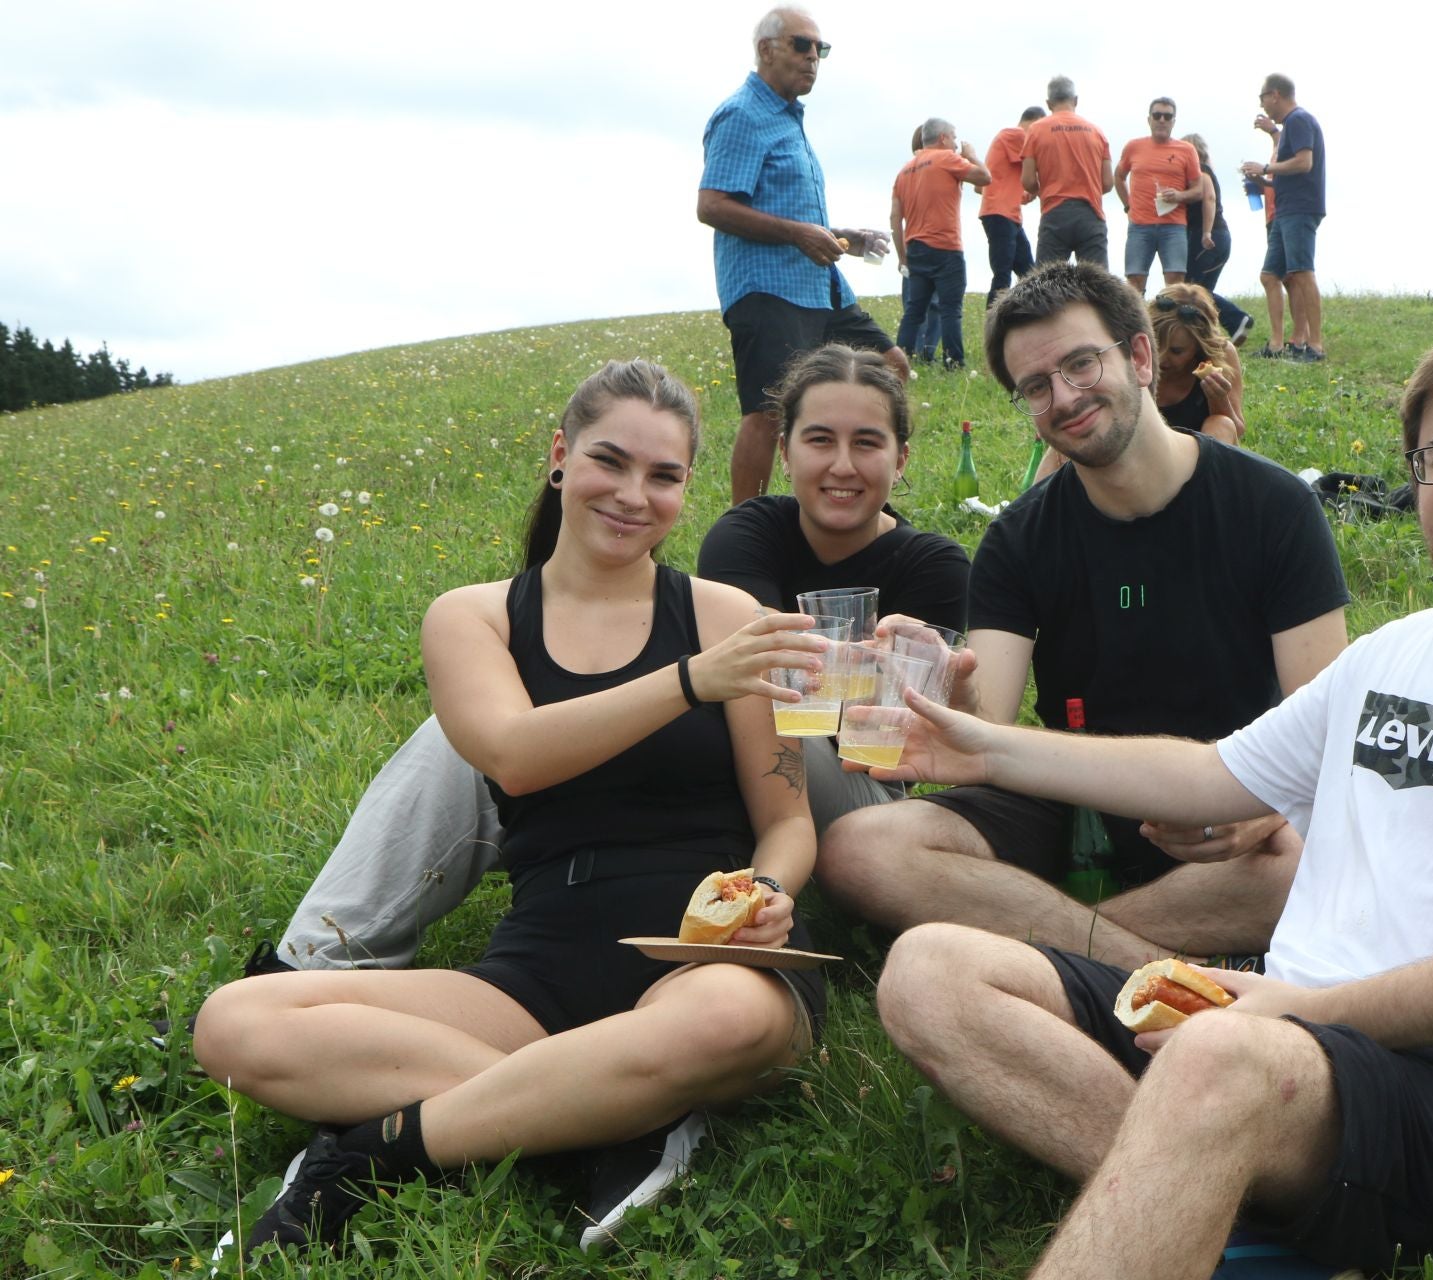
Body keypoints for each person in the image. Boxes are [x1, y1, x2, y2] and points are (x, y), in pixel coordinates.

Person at [872, 322, 1433, 1279]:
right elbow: (1208, 777)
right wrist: (981, 748)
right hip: (1292, 1045)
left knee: (1213, 1061)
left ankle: (1200, 1167)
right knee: (930, 969)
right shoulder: (1396, 653)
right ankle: (1214, 1186)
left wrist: (1306, 1012)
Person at [193, 360, 833, 1257]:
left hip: (703, 959)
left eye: (665, 476)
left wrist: (767, 891)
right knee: (236, 1021)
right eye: (611, 462)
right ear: (561, 458)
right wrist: (689, 682)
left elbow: (787, 818)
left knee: (725, 1020)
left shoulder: (726, 614)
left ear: (689, 486)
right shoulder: (476, 617)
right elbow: (512, 756)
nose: (632, 494)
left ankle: (377, 1151)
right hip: (538, 969)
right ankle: (610, 1119)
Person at [816, 261, 1350, 972]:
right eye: (1036, 387)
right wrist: (951, 683)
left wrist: (1270, 804)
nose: (1064, 397)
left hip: (1224, 808)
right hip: (1076, 803)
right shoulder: (1021, 538)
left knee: (1303, 861)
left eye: (1079, 364)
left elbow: (1329, 726)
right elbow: (991, 730)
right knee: (862, 848)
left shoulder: (1274, 507)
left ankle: (1050, 947)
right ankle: (1128, 963)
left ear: (1138, 355)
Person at [697, 7, 910, 505]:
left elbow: (787, 214)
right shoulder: (742, 114)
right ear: (766, 49)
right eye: (801, 45)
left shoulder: (788, 120)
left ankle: (866, 482)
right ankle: (747, 524)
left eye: (821, 49)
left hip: (820, 286)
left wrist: (841, 238)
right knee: (768, 409)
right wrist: (798, 235)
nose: (813, 56)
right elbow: (712, 205)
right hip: (767, 288)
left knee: (891, 366)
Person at [891, 117, 992, 369]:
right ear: (943, 138)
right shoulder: (947, 159)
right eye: (955, 138)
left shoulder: (905, 170)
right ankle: (954, 362)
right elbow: (984, 177)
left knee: (914, 310)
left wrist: (902, 255)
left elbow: (895, 217)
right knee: (950, 309)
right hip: (945, 247)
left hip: (915, 247)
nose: (957, 144)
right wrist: (972, 155)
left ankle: (902, 359)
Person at [1243, 74, 1327, 362]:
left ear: (1275, 95)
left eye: (1262, 98)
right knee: (1270, 275)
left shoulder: (1298, 120)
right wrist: (1264, 181)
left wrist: (1268, 166)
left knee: (1302, 272)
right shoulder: (1290, 125)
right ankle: (1277, 345)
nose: (1263, 105)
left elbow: (1305, 163)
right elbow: (1288, 174)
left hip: (1301, 208)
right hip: (1285, 209)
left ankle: (1314, 346)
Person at [1024, 75, 1115, 269]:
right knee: (1097, 286)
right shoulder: (1097, 132)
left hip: (1054, 212)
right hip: (1091, 213)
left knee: (1046, 285)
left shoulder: (1036, 131)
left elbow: (1028, 180)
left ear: (1048, 104)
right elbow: (1107, 182)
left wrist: (1044, 189)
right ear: (1075, 100)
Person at [1115, 97, 1204, 293]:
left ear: (1173, 121)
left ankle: (1171, 323)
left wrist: (1179, 196)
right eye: (1157, 115)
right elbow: (1119, 176)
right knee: (1134, 283)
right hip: (1139, 226)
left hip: (1173, 226)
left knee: (1176, 284)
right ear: (1149, 120)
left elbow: (1199, 190)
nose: (1162, 120)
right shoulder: (1134, 147)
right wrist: (1128, 206)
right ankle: (1138, 323)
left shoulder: (1186, 150)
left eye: (1167, 116)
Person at [1180, 133, 1255, 345]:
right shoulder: (1205, 172)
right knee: (1202, 292)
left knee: (1192, 289)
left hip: (1207, 237)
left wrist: (1206, 232)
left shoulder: (1202, 172)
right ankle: (1207, 336)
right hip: (1221, 237)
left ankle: (1237, 318)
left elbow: (1209, 199)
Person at [1151, 284, 1246, 445]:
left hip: (1203, 460)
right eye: (1155, 344)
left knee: (1220, 423)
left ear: (1199, 346)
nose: (1161, 358)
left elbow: (1235, 431)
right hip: (1150, 456)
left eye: (1176, 351)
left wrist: (1218, 399)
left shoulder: (1222, 354)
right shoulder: (1131, 355)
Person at [982, 106, 1044, 313]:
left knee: (1030, 274)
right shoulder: (1015, 135)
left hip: (1009, 214)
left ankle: (1028, 316)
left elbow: (1017, 182)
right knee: (1003, 274)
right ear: (1034, 123)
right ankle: (992, 323)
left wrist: (1030, 193)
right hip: (1000, 213)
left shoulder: (1011, 139)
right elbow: (1038, 161)